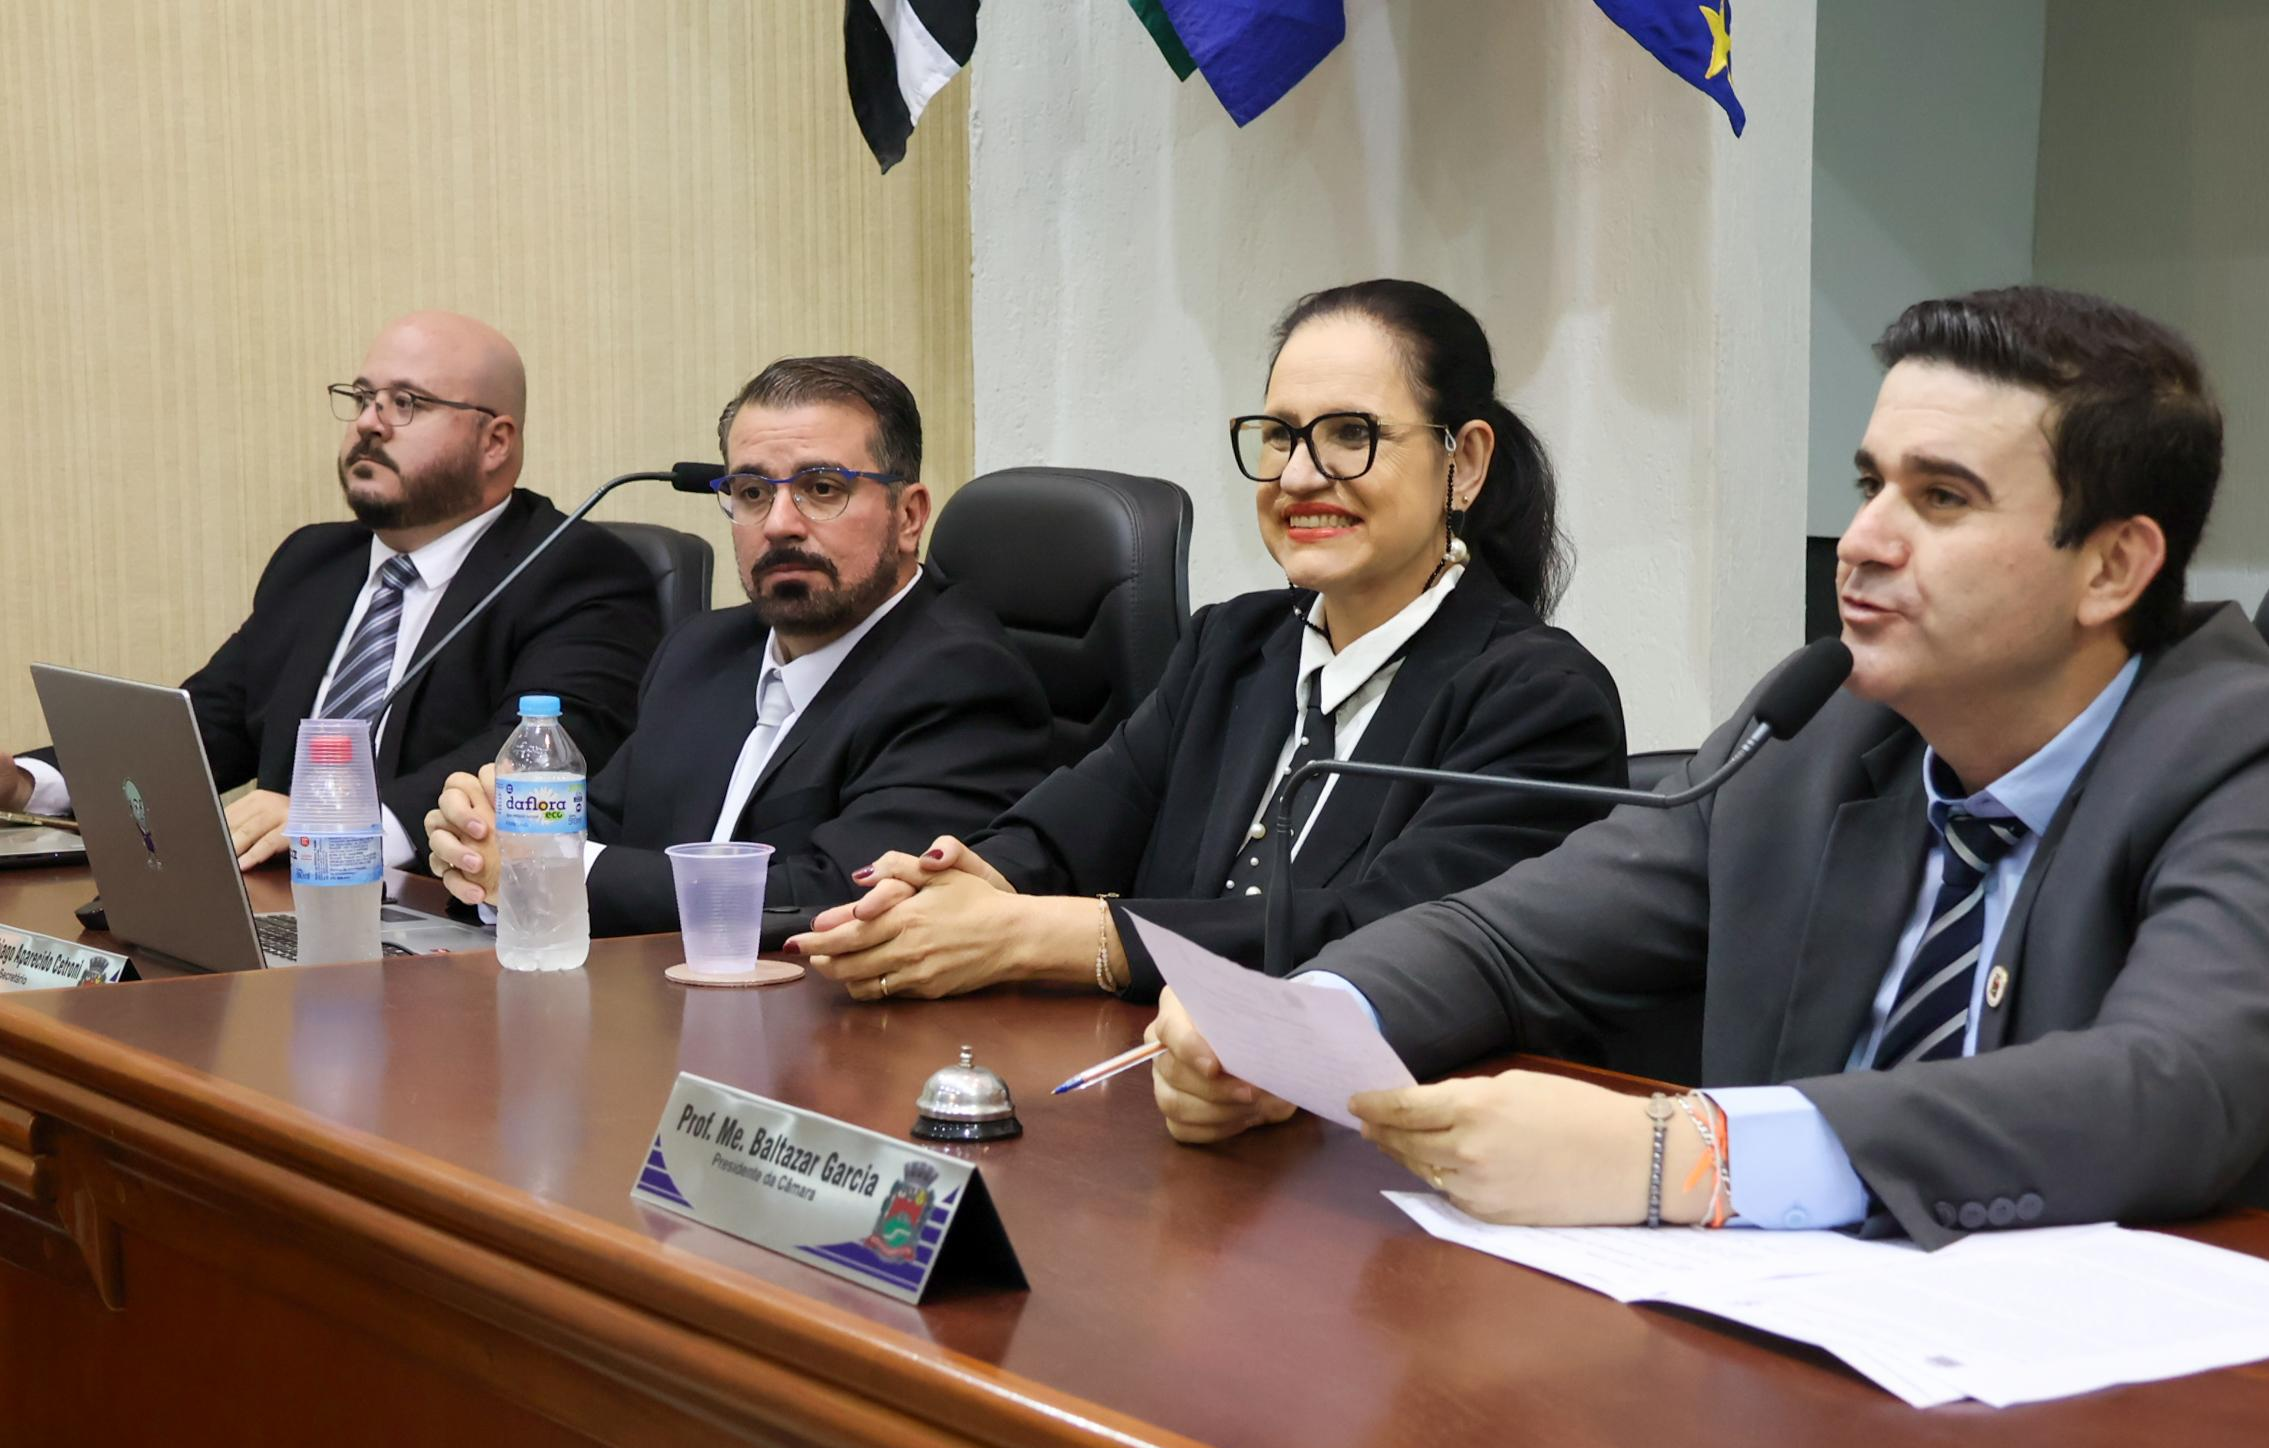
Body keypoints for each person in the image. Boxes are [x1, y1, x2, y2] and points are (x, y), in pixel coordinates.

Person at [1152, 285, 2269, 1249]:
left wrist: (1679, 1156)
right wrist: (1303, 1032)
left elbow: (2167, 1088)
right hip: (1821, 1351)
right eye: (1869, 485)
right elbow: (1510, 937)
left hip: (2180, 1407)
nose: (1860, 542)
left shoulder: (2266, 760)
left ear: (2113, 566)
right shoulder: (1823, 729)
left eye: (1941, 499)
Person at [786, 280, 1626, 1004]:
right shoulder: (1233, 644)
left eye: (1350, 434)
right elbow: (1066, 829)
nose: (1299, 476)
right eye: (1280, 435)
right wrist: (956, 882)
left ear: (1464, 462)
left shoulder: (1540, 700)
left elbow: (1385, 938)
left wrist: (1046, 935)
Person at [6, 311, 660, 872]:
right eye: (364, 398)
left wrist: (339, 823)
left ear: (495, 442)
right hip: (280, 904)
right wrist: (27, 783)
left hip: (445, 915)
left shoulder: (577, 571)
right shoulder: (314, 562)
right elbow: (209, 725)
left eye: (406, 403)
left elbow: (536, 754)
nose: (370, 423)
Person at [423, 356, 1049, 941]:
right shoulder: (702, 649)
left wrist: (541, 869)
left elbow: (845, 898)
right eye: (752, 492)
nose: (778, 523)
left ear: (908, 516)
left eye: (822, 489)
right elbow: (602, 831)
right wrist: (484, 842)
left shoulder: (962, 680)